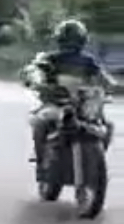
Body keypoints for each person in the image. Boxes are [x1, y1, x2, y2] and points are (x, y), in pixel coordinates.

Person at [25, 19, 117, 165]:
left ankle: (96, 157)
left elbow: (103, 78)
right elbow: (36, 72)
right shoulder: (50, 59)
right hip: (57, 103)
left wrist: (111, 86)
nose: (71, 45)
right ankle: (40, 156)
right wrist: (39, 82)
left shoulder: (88, 61)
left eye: (75, 41)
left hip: (82, 104)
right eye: (68, 41)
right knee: (41, 123)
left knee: (107, 126)